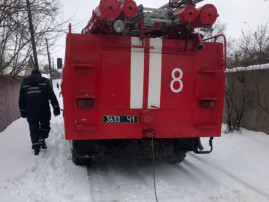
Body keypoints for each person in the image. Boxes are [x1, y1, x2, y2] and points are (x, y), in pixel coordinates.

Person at [19, 69, 60, 155]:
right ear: (40, 75)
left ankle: (36, 149)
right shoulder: (44, 82)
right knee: (45, 125)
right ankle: (42, 136)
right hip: (43, 110)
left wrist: (23, 111)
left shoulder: (24, 83)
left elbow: (21, 99)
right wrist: (56, 109)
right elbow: (52, 96)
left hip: (31, 111)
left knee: (33, 129)